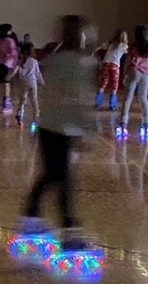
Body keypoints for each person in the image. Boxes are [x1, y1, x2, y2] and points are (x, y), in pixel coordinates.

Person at [21, 15, 97, 247]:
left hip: (48, 126)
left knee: (52, 174)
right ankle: (70, 229)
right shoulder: (82, 63)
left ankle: (30, 217)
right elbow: (79, 99)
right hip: (64, 128)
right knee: (63, 177)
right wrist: (88, 130)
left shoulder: (54, 59)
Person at [119, 25, 148, 134]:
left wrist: (124, 74)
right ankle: (146, 122)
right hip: (145, 74)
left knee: (128, 97)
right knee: (143, 98)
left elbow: (127, 62)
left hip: (134, 72)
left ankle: (123, 121)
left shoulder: (133, 47)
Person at [11, 41, 44, 128]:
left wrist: (8, 77)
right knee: (34, 100)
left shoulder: (20, 62)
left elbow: (14, 71)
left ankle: (19, 117)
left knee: (22, 100)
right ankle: (36, 118)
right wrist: (42, 83)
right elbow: (38, 74)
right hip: (32, 84)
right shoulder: (34, 62)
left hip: (22, 84)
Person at [95, 29, 128, 111]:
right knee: (114, 85)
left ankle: (98, 102)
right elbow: (128, 53)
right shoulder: (124, 46)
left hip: (105, 64)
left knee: (103, 83)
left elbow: (100, 46)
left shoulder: (110, 44)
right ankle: (112, 105)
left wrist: (93, 53)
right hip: (115, 65)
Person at [0, 23, 19, 112]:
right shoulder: (10, 41)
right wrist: (15, 64)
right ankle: (6, 103)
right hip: (7, 64)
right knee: (7, 82)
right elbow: (14, 54)